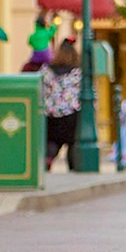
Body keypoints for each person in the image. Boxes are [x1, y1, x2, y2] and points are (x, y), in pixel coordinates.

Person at [41, 39, 82, 171]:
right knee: (73, 142)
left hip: (51, 113)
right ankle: (73, 166)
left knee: (52, 142)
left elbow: (39, 87)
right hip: (72, 113)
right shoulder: (77, 72)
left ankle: (47, 160)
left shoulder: (46, 70)